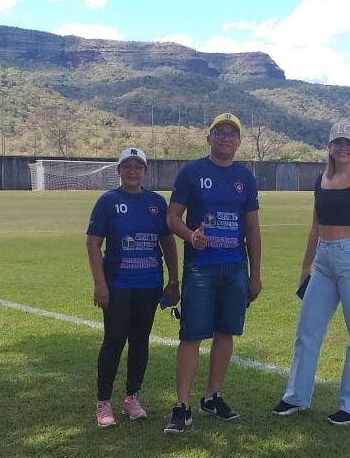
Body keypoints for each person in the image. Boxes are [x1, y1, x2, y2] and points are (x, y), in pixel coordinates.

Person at [271, 121, 350, 426]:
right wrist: (305, 267)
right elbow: (315, 227)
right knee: (307, 330)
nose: (343, 148)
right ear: (329, 147)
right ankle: (296, 396)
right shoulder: (322, 180)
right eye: (338, 143)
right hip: (323, 260)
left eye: (349, 143)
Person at [163, 112, 262, 434]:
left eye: (232, 134)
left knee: (225, 333)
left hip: (235, 267)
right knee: (191, 335)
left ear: (239, 142)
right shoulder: (192, 172)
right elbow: (172, 217)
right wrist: (190, 235)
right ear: (209, 138)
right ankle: (182, 406)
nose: (226, 138)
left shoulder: (245, 178)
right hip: (201, 268)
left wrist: (255, 274)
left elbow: (253, 229)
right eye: (220, 132)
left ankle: (212, 396)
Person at [87, 147, 180, 428]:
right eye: (126, 166)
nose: (132, 171)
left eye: (137, 166)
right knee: (115, 339)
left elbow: (167, 243)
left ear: (145, 172)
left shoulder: (156, 202)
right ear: (118, 171)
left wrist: (173, 281)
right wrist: (100, 284)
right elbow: (93, 243)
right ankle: (103, 403)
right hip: (117, 284)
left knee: (140, 339)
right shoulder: (108, 201)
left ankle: (131, 398)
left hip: (149, 284)